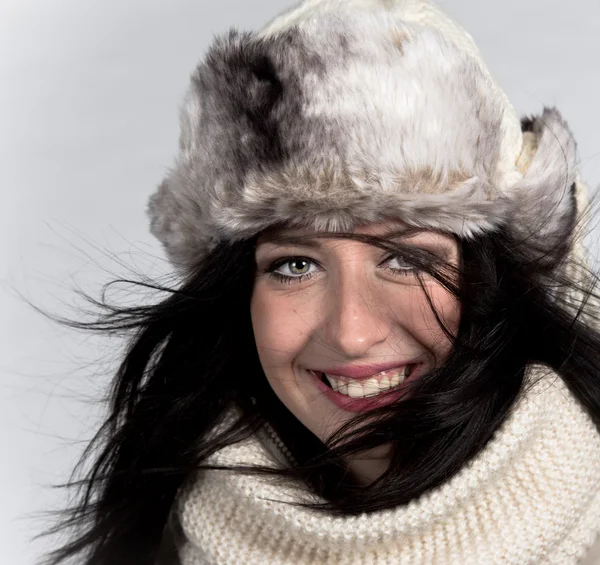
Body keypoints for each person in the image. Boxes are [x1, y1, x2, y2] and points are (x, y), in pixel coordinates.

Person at [39, 0, 600, 564]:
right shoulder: (164, 535)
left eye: (406, 259)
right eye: (295, 266)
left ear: (492, 281)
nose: (351, 334)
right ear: (240, 296)